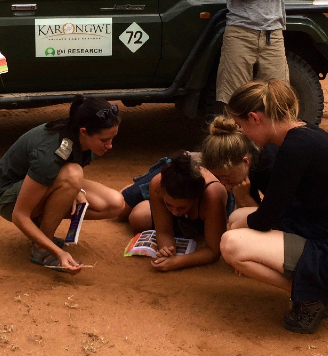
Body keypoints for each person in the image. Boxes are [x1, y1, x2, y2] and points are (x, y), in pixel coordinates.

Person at [220, 80, 328, 334]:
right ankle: (313, 290)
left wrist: (247, 222)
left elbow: (266, 219)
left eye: (242, 126)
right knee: (236, 220)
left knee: (231, 244)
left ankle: (314, 295)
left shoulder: (294, 147)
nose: (243, 134)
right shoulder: (301, 134)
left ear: (255, 118)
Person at [0, 95, 126, 274]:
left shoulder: (83, 139)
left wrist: (76, 190)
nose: (110, 145)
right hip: (7, 199)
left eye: (112, 138)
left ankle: (43, 230)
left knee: (115, 203)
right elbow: (19, 215)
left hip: (40, 183)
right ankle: (42, 248)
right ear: (83, 132)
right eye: (104, 140)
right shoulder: (52, 151)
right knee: (73, 175)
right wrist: (58, 252)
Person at [118, 117, 277, 272]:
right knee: (127, 211)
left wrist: (177, 262)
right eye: (169, 206)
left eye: (181, 208)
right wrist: (167, 248)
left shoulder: (214, 192)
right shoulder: (159, 184)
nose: (174, 212)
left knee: (139, 216)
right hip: (176, 168)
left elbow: (214, 250)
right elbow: (164, 232)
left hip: (200, 187)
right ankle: (140, 188)